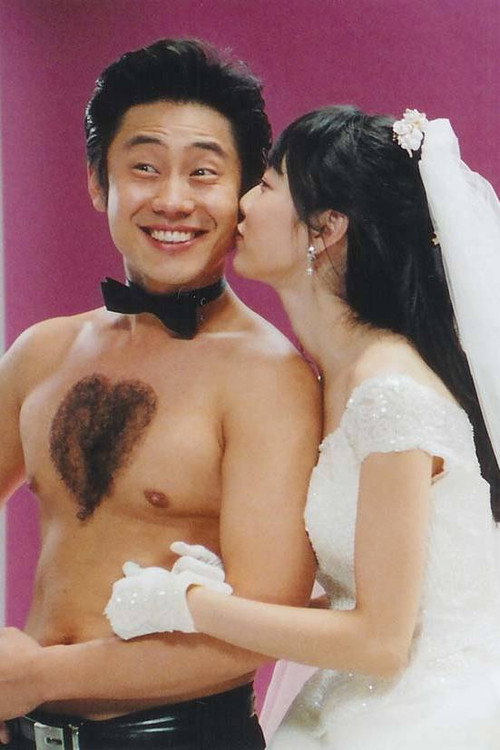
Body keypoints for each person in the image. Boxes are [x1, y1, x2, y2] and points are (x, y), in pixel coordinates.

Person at [109, 105, 500, 748]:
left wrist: (191, 606)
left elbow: (380, 643)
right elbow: (372, 597)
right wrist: (221, 595)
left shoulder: (390, 393)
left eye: (266, 185)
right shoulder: (335, 377)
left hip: (423, 718)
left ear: (326, 228)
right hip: (362, 703)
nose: (242, 203)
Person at [0, 39, 321, 749]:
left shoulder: (270, 379)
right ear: (99, 183)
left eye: (204, 172)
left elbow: (265, 628)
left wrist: (38, 675)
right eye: (144, 167)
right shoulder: (41, 351)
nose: (173, 200)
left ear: (243, 195)